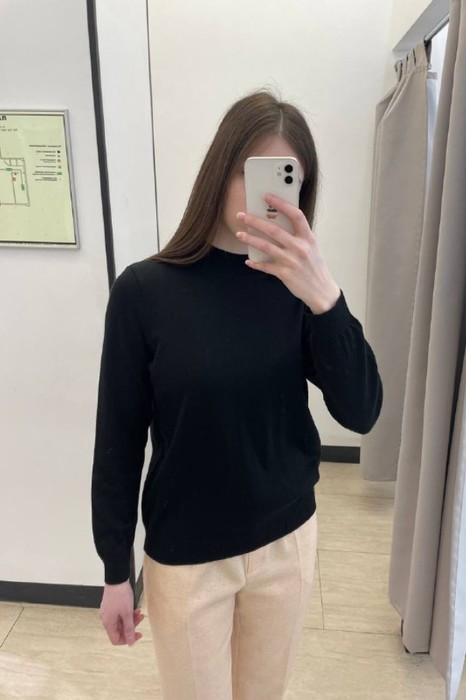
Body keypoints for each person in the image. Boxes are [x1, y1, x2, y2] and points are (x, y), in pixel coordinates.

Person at [91, 89, 383, 700]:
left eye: (287, 181)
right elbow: (117, 439)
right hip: (188, 559)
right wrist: (116, 570)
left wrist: (326, 298)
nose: (270, 198)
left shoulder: (299, 288)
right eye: (254, 174)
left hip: (287, 543)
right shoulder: (144, 293)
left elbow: (362, 411)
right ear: (220, 171)